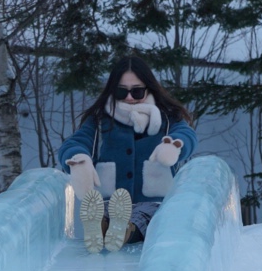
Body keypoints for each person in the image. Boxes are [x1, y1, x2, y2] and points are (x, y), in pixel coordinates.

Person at [57, 56, 197, 253]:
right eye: (122, 91)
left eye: (137, 91)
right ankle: (100, 227)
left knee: (147, 218)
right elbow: (76, 142)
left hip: (153, 202)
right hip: (109, 200)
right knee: (105, 213)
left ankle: (122, 231)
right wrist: (78, 160)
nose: (129, 98)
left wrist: (174, 145)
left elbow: (187, 134)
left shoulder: (166, 118)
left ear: (149, 89)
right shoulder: (99, 120)